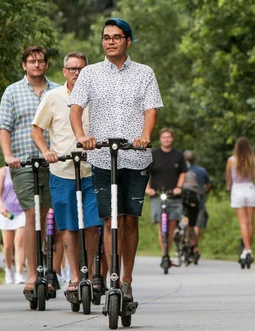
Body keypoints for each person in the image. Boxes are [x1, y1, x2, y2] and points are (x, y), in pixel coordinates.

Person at [69, 18, 163, 303]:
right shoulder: (90, 74)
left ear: (128, 41)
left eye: (116, 37)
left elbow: (151, 111)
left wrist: (145, 135)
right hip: (102, 157)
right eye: (106, 37)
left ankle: (127, 280)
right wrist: (82, 136)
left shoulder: (145, 73)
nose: (110, 41)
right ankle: (112, 277)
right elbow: (75, 109)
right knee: (111, 219)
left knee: (130, 220)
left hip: (135, 157)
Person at [31, 51, 104, 298]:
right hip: (62, 170)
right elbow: (37, 130)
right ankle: (74, 275)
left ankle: (93, 273)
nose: (76, 73)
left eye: (81, 69)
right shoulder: (53, 97)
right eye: (72, 69)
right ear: (64, 72)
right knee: (69, 226)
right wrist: (46, 151)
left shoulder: (97, 98)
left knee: (93, 224)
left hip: (92, 169)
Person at [0, 45, 60, 300]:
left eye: (40, 61)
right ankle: (32, 274)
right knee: (31, 215)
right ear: (24, 65)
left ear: (46, 64)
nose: (36, 65)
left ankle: (48, 269)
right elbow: (3, 126)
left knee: (47, 218)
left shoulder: (57, 91)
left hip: (53, 162)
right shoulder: (12, 92)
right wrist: (8, 155)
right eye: (31, 61)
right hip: (22, 163)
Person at [146, 128, 187, 266]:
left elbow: (183, 173)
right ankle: (164, 254)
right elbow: (147, 173)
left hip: (173, 196)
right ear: (160, 139)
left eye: (169, 137)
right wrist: (148, 189)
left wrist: (179, 187)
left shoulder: (178, 155)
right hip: (157, 195)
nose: (166, 139)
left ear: (172, 139)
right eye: (164, 137)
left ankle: (167, 254)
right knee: (161, 226)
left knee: (171, 225)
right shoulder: (154, 155)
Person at [225, 137, 255, 264]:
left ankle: (247, 249)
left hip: (238, 189)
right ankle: (248, 248)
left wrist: (229, 186)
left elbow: (228, 176)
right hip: (250, 188)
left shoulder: (231, 160)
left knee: (243, 223)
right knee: (250, 222)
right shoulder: (252, 159)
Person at [0, 166, 26, 284]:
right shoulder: (3, 171)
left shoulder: (25, 169)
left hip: (22, 210)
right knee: (7, 245)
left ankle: (19, 273)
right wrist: (0, 206)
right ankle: (8, 269)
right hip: (6, 211)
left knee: (19, 242)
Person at [183, 150, 211, 259]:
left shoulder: (181, 171)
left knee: (187, 223)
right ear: (194, 159)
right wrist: (202, 191)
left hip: (184, 201)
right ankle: (194, 247)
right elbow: (208, 184)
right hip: (199, 202)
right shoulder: (201, 170)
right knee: (197, 225)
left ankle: (187, 244)